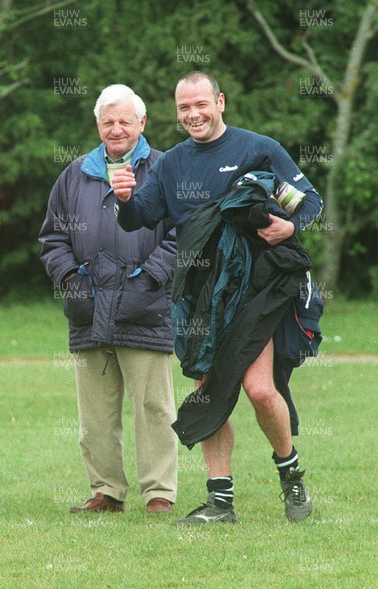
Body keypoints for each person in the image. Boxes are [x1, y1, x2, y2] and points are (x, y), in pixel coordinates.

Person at [112, 71, 323, 524]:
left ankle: (291, 474)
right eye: (184, 108)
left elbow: (307, 201)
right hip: (199, 293)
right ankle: (220, 500)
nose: (193, 114)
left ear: (220, 102)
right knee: (207, 394)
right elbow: (139, 219)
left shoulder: (257, 148)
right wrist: (124, 199)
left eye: (200, 104)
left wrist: (291, 225)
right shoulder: (171, 165)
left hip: (256, 290)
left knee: (261, 390)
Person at [39, 84, 178, 514]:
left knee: (154, 408)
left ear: (142, 122)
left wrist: (150, 277)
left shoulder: (164, 169)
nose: (116, 129)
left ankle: (158, 493)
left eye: (125, 121)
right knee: (95, 416)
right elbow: (52, 238)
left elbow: (182, 235)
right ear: (97, 125)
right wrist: (70, 280)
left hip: (146, 306)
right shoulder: (74, 174)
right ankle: (106, 492)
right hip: (89, 311)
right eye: (108, 121)